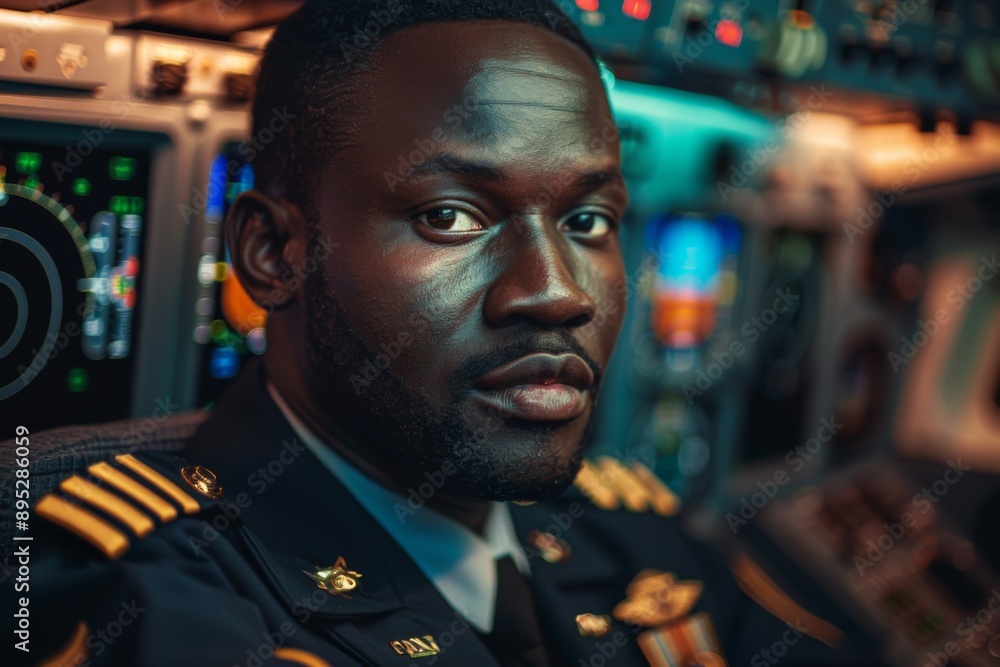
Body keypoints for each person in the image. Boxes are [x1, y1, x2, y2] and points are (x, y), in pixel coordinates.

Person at [6, 1, 884, 665]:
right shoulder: (144, 597)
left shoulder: (639, 532)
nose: (555, 294)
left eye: (587, 221)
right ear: (272, 253)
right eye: (452, 216)